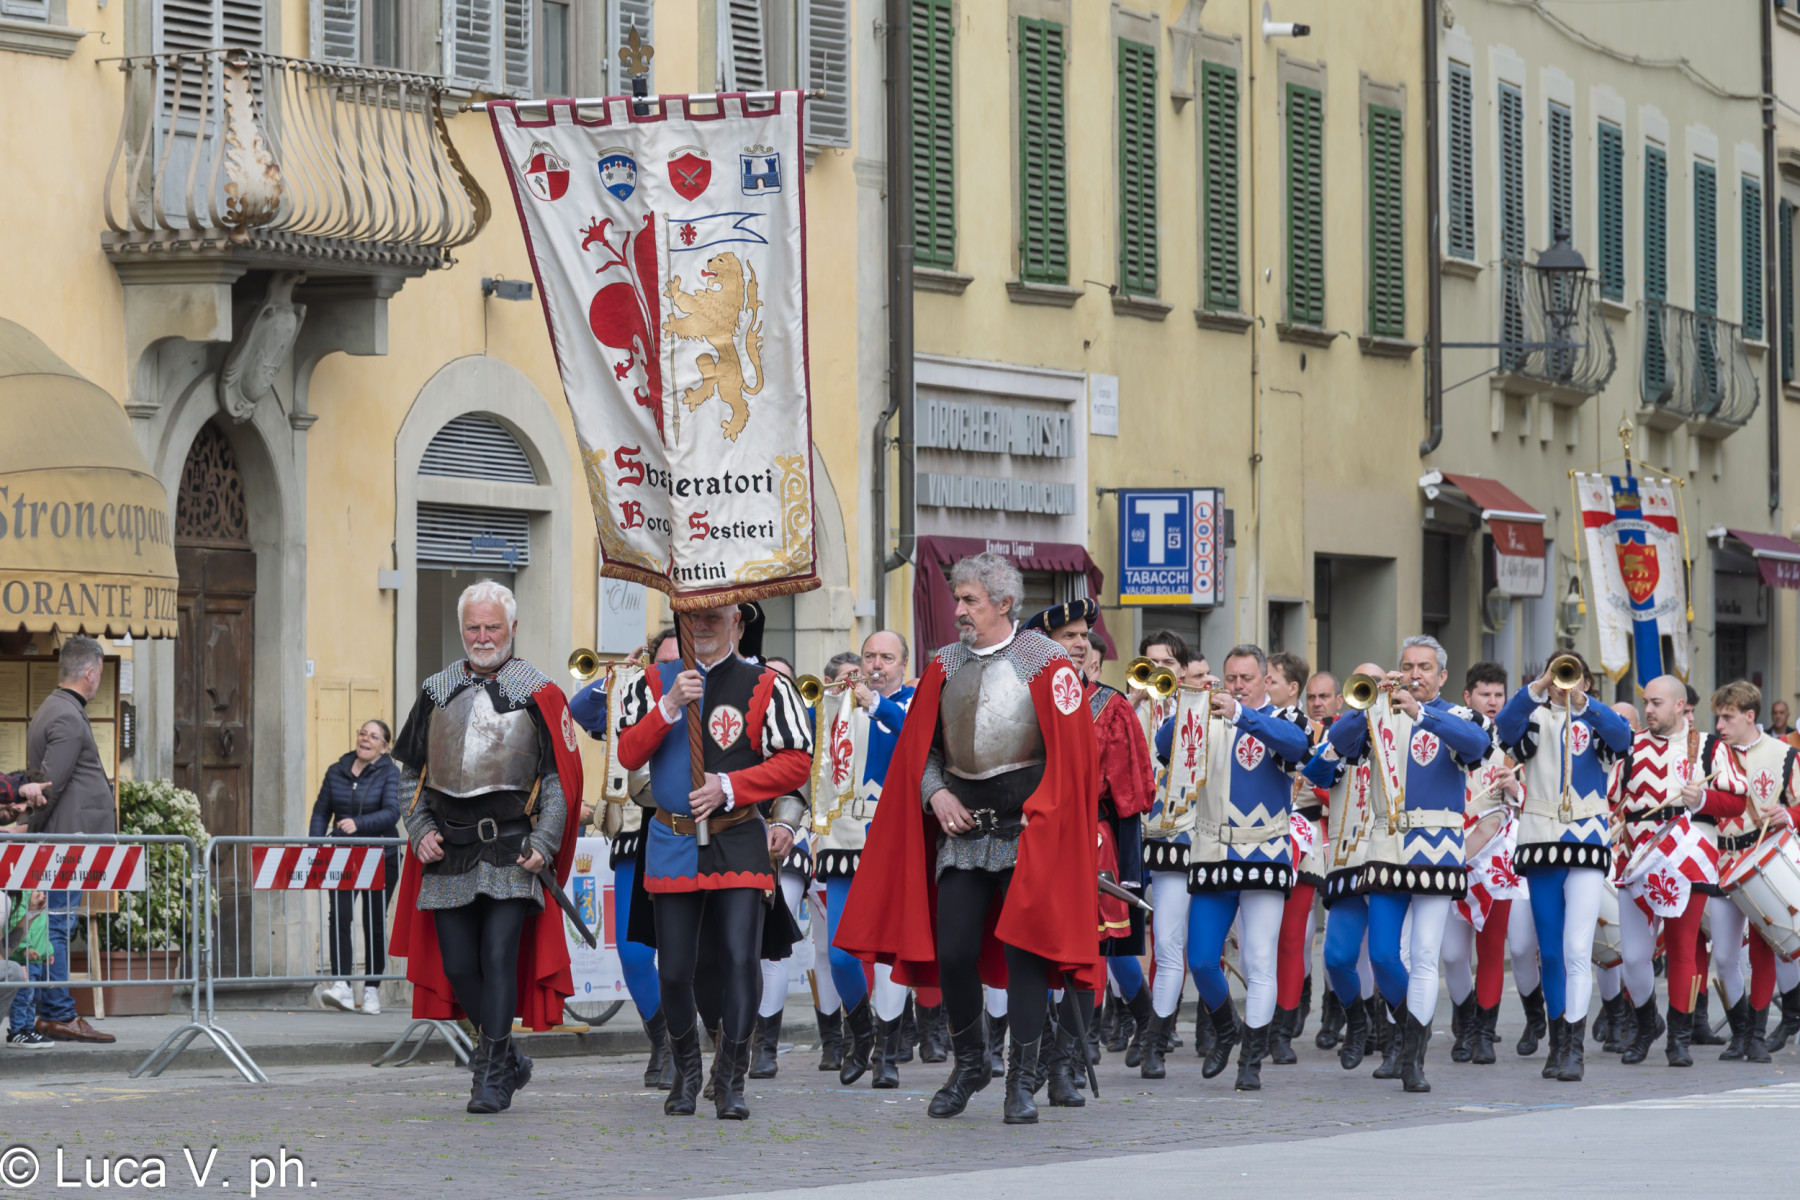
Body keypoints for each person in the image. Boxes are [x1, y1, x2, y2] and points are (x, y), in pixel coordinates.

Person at [835, 553, 1100, 1125]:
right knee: (952, 949)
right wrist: (935, 794)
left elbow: (1072, 760)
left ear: (1003, 604)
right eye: (957, 598)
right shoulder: (944, 665)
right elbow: (924, 749)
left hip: (1027, 833)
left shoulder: (1048, 665)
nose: (958, 609)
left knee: (1026, 953)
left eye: (970, 600)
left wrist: (1042, 817)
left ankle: (1022, 1080)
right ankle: (972, 1063)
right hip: (962, 833)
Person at [389, 581, 584, 1114]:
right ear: (462, 629)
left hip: (512, 849)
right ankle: (509, 1058)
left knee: (499, 956)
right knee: (458, 966)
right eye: (473, 627)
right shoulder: (436, 690)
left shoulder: (540, 693)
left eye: (492, 627)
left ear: (511, 628)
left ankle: (490, 1075)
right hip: (449, 848)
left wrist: (545, 840)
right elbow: (411, 775)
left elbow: (558, 782)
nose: (482, 637)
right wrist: (419, 828)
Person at [614, 603, 813, 1120]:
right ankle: (686, 1072)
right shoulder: (651, 683)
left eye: (714, 618)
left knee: (740, 959)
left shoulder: (768, 684)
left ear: (737, 625)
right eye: (692, 618)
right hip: (672, 837)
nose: (702, 626)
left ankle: (730, 1079)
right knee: (675, 968)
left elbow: (796, 761)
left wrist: (730, 785)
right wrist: (669, 706)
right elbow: (629, 755)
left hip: (739, 834)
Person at [1323, 636, 1488, 1092]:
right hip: (1386, 846)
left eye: (1425, 667)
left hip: (1437, 847)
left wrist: (1421, 713)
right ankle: (1405, 1034)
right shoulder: (1380, 713)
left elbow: (1476, 745)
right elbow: (1337, 743)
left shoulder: (1458, 715)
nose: (1415, 674)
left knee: (1424, 955)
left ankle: (1413, 1059)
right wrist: (1369, 702)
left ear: (1443, 675)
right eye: (1408, 666)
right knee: (1382, 955)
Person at [1158, 644, 1311, 1091]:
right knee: (1201, 959)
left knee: (1259, 959)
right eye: (1231, 678)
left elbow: (1297, 747)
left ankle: (1251, 1060)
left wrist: (1241, 715)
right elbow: (1165, 748)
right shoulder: (1205, 715)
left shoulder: (1284, 718)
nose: (1238, 686)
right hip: (1212, 851)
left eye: (1247, 678)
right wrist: (1189, 701)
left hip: (1264, 852)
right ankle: (1227, 1028)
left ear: (1266, 680)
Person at [1025, 599, 1155, 1104]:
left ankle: (1065, 1065)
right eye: (1069, 636)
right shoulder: (1018, 698)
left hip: (1090, 842)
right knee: (1031, 954)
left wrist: (1131, 872)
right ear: (1043, 645)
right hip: (1030, 838)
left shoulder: (1111, 706)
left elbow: (1130, 799)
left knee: (1085, 957)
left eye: (1084, 636)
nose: (1081, 644)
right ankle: (1029, 1063)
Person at [1496, 653, 1632, 1080]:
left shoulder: (1596, 719)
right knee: (1551, 952)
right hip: (1540, 841)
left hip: (1587, 841)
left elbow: (1623, 739)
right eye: (1557, 675)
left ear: (1586, 681)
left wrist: (1585, 704)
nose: (1564, 682)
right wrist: (1537, 689)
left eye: (1571, 675)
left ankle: (1574, 1049)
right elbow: (1505, 728)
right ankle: (1557, 1044)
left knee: (1576, 949)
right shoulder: (1533, 718)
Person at [1609, 674, 1745, 1068]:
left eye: (1656, 703)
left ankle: (1679, 1040)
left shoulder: (1710, 748)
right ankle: (1646, 1024)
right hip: (1637, 860)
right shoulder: (1629, 747)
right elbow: (1609, 799)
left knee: (1683, 950)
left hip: (1688, 859)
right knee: (1634, 956)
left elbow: (1737, 802)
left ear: (1680, 706)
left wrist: (1703, 799)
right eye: (1646, 703)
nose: (1649, 710)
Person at [570, 626, 682, 1089]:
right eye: (664, 662)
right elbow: (580, 710)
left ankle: (685, 1044)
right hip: (635, 832)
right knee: (634, 955)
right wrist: (621, 674)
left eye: (679, 662)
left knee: (681, 953)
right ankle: (663, 1041)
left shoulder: (703, 696)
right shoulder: (631, 694)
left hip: (684, 833)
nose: (671, 670)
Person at [815, 632, 917, 1088]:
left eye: (887, 658)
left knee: (889, 952)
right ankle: (861, 1035)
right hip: (843, 838)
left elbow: (917, 740)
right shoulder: (841, 703)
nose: (877, 664)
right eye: (870, 656)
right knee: (839, 955)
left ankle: (887, 1054)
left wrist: (875, 704)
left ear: (902, 665)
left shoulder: (913, 702)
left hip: (892, 837)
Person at [22, 635, 117, 1045]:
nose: (99, 681)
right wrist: (30, 830)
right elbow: (49, 788)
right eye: (100, 673)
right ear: (90, 672)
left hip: (62, 838)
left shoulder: (54, 708)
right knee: (58, 923)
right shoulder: (67, 715)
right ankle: (58, 1013)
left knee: (54, 922)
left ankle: (51, 1011)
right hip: (65, 841)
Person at [1704, 681, 1796, 1063]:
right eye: (1718, 717)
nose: (1720, 725)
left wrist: (1788, 814)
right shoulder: (1710, 753)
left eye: (1727, 717)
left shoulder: (1784, 754)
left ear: (1749, 716)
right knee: (1725, 957)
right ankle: (1740, 1033)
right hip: (1721, 862)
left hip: (1762, 865)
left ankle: (1756, 1036)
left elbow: (1799, 804)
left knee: (1762, 954)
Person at [1438, 661, 1524, 1066]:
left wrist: (1516, 787)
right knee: (1453, 955)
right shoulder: (1447, 731)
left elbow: (1534, 795)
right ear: (1467, 696)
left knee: (1491, 950)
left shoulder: (1517, 739)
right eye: (1484, 694)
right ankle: (1466, 1022)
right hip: (1450, 853)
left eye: (1498, 694)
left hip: (1497, 856)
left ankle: (1484, 1034)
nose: (1492, 701)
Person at [1306, 667, 1386, 1071]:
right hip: (1349, 859)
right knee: (1337, 957)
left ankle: (1394, 1036)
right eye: (1362, 684)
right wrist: (1358, 716)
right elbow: (1317, 774)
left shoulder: (1403, 729)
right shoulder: (1339, 735)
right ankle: (1358, 1022)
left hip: (1392, 858)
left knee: (1388, 957)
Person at [310, 719, 401, 1015]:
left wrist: (358, 824)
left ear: (384, 747)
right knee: (339, 917)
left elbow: (392, 812)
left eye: (373, 736)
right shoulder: (337, 770)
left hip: (380, 857)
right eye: (363, 733)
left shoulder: (391, 773)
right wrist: (314, 845)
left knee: (374, 921)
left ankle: (372, 989)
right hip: (342, 856)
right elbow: (321, 811)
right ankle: (342, 985)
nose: (365, 739)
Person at [1266, 650, 1319, 1065]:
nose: (1263, 686)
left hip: (1301, 840)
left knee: (1291, 938)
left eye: (1271, 680)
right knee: (1256, 941)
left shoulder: (1308, 728)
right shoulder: (1249, 718)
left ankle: (1282, 1030)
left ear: (1292, 688)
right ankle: (1254, 1021)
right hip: (1255, 839)